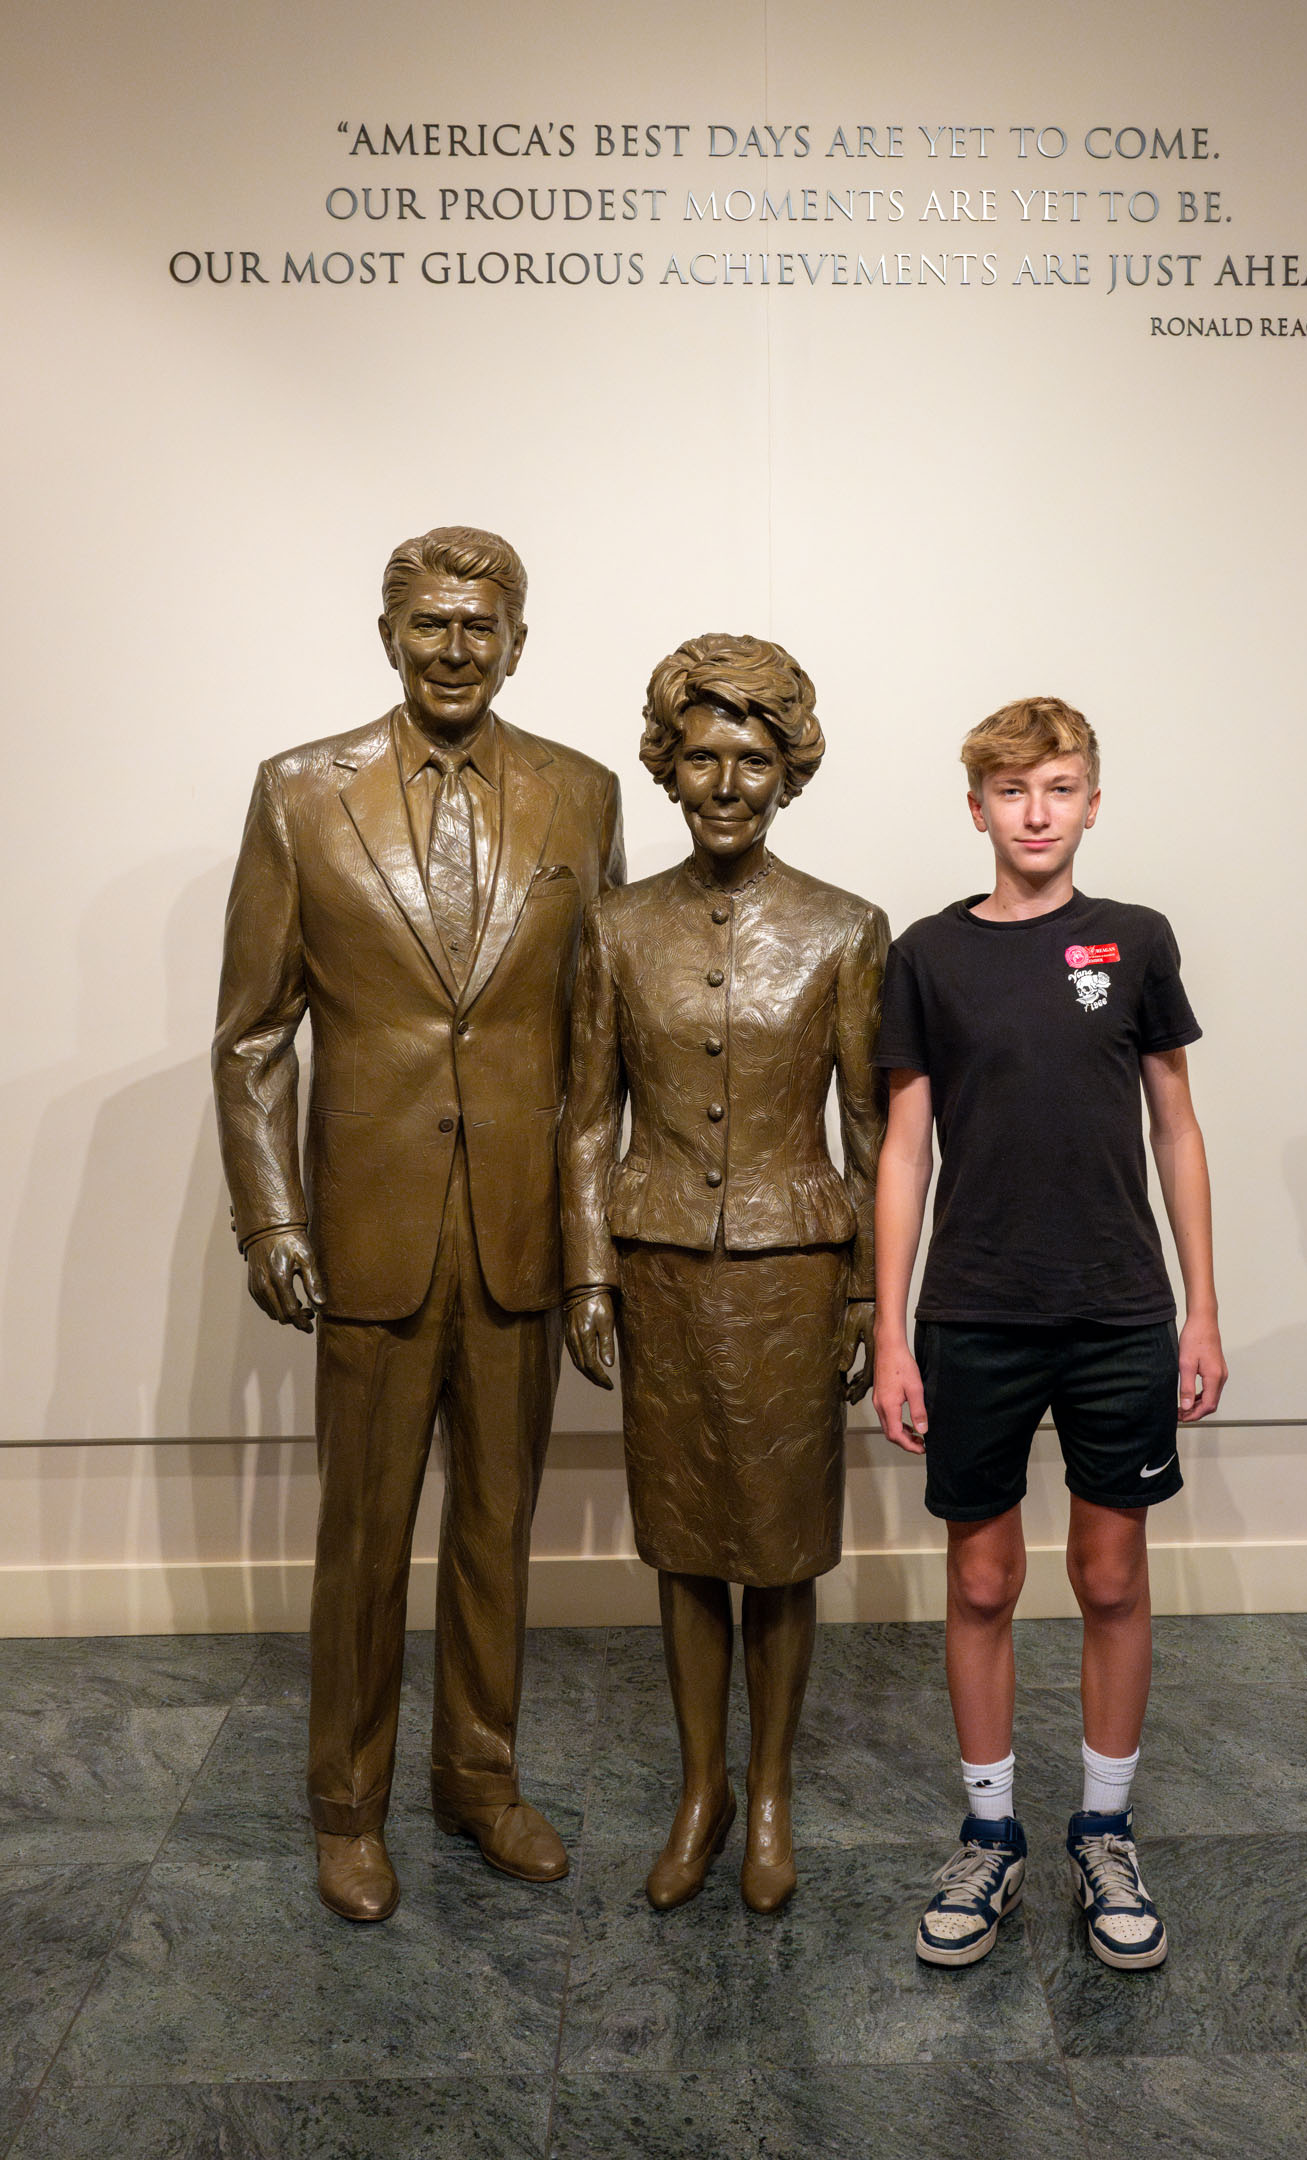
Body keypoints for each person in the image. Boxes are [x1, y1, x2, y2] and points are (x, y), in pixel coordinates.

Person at [213, 526, 624, 1922]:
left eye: (479, 626)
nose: (456, 648)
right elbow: (252, 1035)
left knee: (498, 1527)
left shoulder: (582, 794)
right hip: (367, 1229)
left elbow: (595, 1040)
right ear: (388, 635)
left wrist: (591, 1247)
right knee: (363, 1537)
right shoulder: (298, 792)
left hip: (518, 1232)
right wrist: (271, 1217)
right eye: (432, 624)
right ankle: (346, 1806)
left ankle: (479, 1781)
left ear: (518, 642)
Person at [871, 695, 1225, 1971]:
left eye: (1059, 787)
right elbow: (903, 1149)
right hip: (972, 1310)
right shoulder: (926, 954)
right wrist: (892, 1333)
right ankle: (988, 1838)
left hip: (1118, 1311)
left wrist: (1201, 1308)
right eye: (1012, 790)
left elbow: (1175, 1127)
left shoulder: (1136, 941)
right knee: (981, 1581)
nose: (1036, 811)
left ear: (1091, 802)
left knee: (1110, 1577)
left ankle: (1103, 1832)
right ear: (976, 807)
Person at [562, 633, 888, 1915]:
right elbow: (585, 1119)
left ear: (788, 771)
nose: (726, 784)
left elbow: (871, 1129)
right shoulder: (614, 927)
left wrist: (869, 1290)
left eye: (752, 760)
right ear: (668, 767)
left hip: (793, 1275)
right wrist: (588, 1275)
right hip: (657, 1273)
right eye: (700, 758)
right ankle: (699, 1791)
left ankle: (770, 1795)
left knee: (783, 1549)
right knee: (684, 1544)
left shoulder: (845, 930)